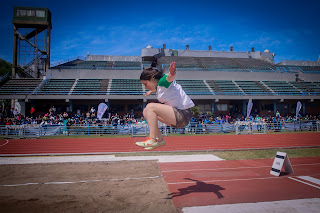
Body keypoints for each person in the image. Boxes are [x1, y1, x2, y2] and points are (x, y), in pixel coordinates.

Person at [136, 62, 195, 150]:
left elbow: (168, 78)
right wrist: (151, 91)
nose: (145, 87)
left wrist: (172, 73)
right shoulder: (159, 86)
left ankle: (152, 139)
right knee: (146, 112)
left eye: (145, 84)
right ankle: (159, 140)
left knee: (150, 107)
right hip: (176, 118)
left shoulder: (163, 81)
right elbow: (159, 88)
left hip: (183, 115)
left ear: (152, 79)